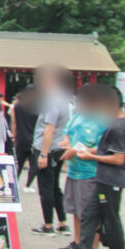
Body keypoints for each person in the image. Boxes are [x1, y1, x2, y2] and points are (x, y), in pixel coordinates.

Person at [58, 84, 125, 249]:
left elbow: (118, 158)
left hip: (111, 180)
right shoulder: (118, 124)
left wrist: (91, 156)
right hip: (103, 178)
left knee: (110, 220)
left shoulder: (118, 127)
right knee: (90, 216)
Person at [56, 84, 108, 249]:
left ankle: (93, 247)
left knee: (91, 212)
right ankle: (78, 242)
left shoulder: (103, 120)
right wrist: (66, 143)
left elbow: (103, 147)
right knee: (76, 210)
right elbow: (67, 132)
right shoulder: (77, 115)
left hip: (91, 172)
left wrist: (77, 151)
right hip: (74, 170)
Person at [30, 65, 73, 236]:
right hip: (59, 147)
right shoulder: (68, 100)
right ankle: (62, 222)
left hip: (47, 147)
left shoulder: (52, 101)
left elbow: (49, 128)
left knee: (46, 187)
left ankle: (48, 224)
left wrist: (43, 153)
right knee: (55, 186)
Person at [9, 85, 41, 189]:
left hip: (21, 139)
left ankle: (14, 184)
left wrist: (14, 136)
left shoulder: (17, 106)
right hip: (35, 140)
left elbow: (14, 122)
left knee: (18, 163)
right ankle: (28, 186)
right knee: (34, 165)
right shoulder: (39, 108)